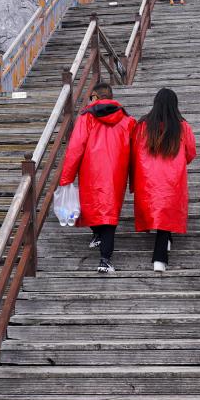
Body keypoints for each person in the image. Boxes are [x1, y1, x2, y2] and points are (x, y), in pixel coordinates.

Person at [58, 83, 134, 274]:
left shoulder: (86, 118)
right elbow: (135, 153)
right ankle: (105, 259)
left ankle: (97, 234)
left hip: (91, 171)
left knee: (92, 204)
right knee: (110, 213)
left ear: (95, 97)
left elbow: (75, 148)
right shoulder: (127, 120)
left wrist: (66, 177)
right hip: (117, 172)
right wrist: (134, 179)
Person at [131, 88, 196, 272]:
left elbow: (135, 150)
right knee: (166, 212)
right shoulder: (182, 126)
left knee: (159, 211)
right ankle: (159, 257)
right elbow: (190, 152)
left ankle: (164, 244)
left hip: (148, 178)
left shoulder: (143, 125)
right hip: (172, 179)